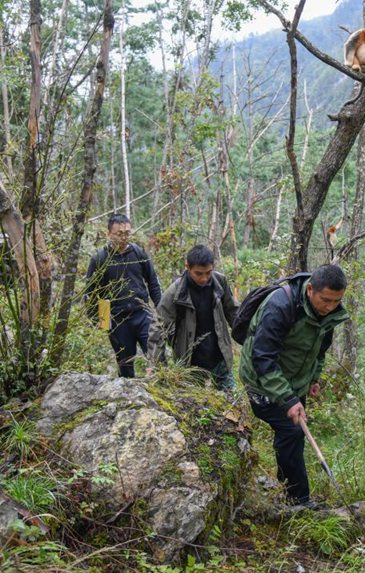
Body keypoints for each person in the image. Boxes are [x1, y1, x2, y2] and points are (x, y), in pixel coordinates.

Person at [239, 264, 349, 507]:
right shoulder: (280, 306)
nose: (330, 307)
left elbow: (319, 349)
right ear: (310, 289)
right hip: (261, 379)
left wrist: (313, 378)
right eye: (326, 300)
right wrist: (289, 400)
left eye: (336, 301)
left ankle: (291, 492)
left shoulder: (328, 313)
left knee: (293, 434)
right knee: (292, 432)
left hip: (294, 381)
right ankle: (297, 500)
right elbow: (263, 357)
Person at [147, 245, 239, 390]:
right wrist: (156, 364)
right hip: (190, 361)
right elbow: (158, 328)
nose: (204, 278)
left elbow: (233, 312)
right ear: (187, 267)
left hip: (220, 355)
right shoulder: (175, 293)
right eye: (198, 273)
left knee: (231, 401)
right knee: (194, 406)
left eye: (208, 273)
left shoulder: (220, 282)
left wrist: (249, 338)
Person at [86, 214, 162, 378]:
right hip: (118, 320)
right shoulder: (100, 259)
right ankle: (129, 400)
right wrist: (102, 322)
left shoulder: (139, 253)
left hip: (142, 314)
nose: (124, 237)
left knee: (157, 357)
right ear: (109, 234)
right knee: (125, 365)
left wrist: (161, 310)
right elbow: (91, 293)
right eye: (119, 234)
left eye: (127, 233)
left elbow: (153, 282)